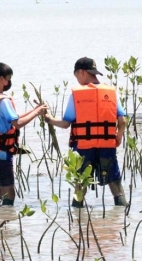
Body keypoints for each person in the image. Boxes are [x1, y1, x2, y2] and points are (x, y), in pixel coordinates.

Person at [44, 57, 127, 207]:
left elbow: (65, 124)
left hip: (83, 147)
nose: (77, 80)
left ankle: (78, 218)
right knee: (116, 186)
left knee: (80, 187)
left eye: (76, 76)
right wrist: (118, 137)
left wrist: (49, 119)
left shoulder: (76, 94)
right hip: (107, 145)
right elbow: (122, 121)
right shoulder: (111, 92)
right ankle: (122, 217)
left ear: (81, 72)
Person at [0, 63, 47, 206]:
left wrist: (34, 110)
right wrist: (37, 113)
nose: (9, 82)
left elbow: (12, 119)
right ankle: (5, 222)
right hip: (1, 153)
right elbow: (17, 123)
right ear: (2, 79)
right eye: (8, 78)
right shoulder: (3, 101)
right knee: (9, 192)